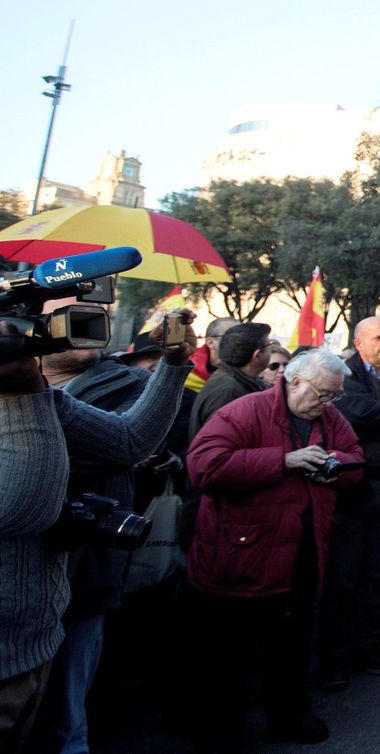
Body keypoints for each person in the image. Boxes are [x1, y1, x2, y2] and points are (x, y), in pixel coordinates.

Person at [0, 313, 192, 754]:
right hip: (9, 646)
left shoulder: (48, 397)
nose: (83, 323)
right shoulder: (34, 393)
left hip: (46, 624)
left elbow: (128, 440)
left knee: (65, 729)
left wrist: (173, 364)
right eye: (61, 315)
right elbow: (22, 509)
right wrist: (26, 394)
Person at [186, 347, 363, 749]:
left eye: (334, 396)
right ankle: (221, 729)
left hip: (301, 556)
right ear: (294, 381)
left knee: (291, 647)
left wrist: (334, 463)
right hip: (239, 556)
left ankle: (289, 715)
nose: (328, 403)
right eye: (323, 394)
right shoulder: (245, 411)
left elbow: (356, 459)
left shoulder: (330, 418)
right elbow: (203, 467)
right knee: (227, 655)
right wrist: (283, 460)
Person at [316, 316, 380, 689]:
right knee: (344, 576)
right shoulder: (344, 375)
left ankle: (368, 647)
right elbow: (356, 412)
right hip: (353, 491)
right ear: (359, 343)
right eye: (378, 337)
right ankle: (333, 656)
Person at [188, 323, 271, 439]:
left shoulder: (235, 380)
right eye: (269, 346)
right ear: (256, 355)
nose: (271, 351)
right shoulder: (228, 391)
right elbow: (214, 449)